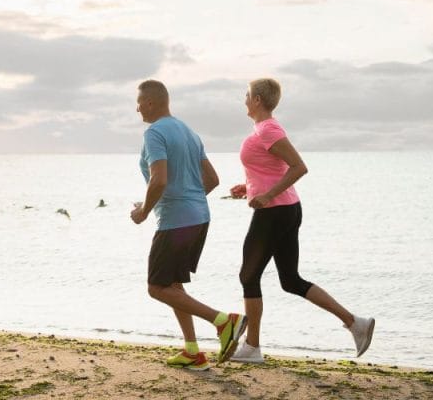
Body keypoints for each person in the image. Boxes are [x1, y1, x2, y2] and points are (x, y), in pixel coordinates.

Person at [228, 78, 374, 364]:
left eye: (247, 94)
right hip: (284, 209)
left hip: (275, 212)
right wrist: (251, 188)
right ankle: (356, 323)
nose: (244, 99)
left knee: (249, 275)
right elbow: (274, 168)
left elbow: (299, 167)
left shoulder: (268, 129)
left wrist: (268, 195)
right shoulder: (263, 129)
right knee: (290, 280)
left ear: (257, 100)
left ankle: (252, 347)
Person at [130, 79, 247, 370]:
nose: (137, 108)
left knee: (156, 287)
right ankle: (192, 351)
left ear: (152, 102)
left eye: (139, 102)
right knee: (173, 284)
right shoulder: (189, 132)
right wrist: (189, 200)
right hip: (199, 217)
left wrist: (144, 211)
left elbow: (159, 179)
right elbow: (212, 180)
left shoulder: (154, 133)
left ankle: (223, 321)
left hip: (175, 222)